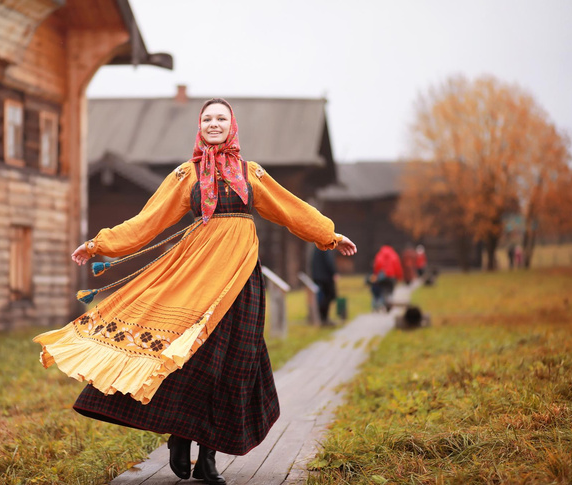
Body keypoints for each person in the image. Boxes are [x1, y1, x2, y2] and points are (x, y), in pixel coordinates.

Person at [33, 98, 357, 485]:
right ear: (199, 126)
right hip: (196, 279)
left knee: (232, 365)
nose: (214, 124)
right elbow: (147, 222)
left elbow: (291, 209)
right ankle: (180, 437)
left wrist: (329, 235)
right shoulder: (185, 175)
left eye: (221, 118)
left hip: (241, 280)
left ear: (232, 125)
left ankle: (209, 458)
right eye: (208, 119)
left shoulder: (251, 173)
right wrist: (99, 244)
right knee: (191, 360)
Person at [368, 245, 403, 311]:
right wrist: (399, 277)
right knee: (390, 291)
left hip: (382, 276)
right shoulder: (394, 254)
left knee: (383, 291)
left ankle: (383, 303)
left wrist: (376, 274)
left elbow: (377, 265)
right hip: (391, 276)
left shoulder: (379, 255)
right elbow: (397, 267)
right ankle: (389, 302)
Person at [311, 247, 338, 326]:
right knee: (329, 296)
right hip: (325, 277)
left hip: (317, 277)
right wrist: (333, 273)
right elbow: (328, 261)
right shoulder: (324, 246)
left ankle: (323, 318)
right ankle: (324, 318)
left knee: (322, 297)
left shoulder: (316, 247)